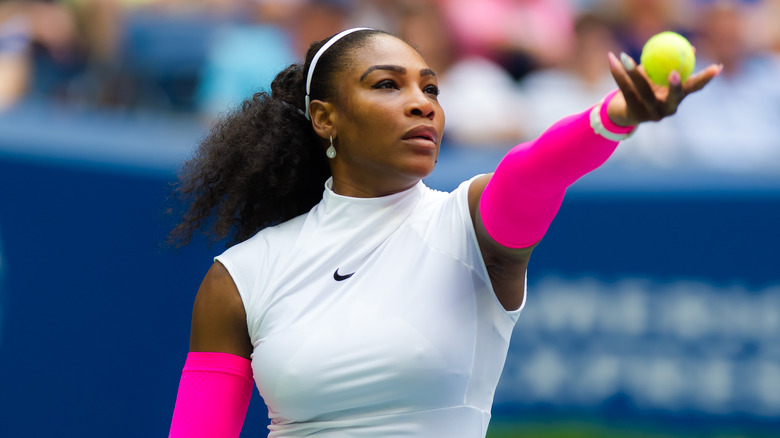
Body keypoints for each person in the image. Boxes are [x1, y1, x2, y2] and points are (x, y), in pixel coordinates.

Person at [167, 27, 721, 437]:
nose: (421, 104)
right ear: (324, 118)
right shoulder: (240, 277)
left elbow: (532, 173)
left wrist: (614, 116)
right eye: (387, 85)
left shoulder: (470, 225)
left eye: (431, 90)